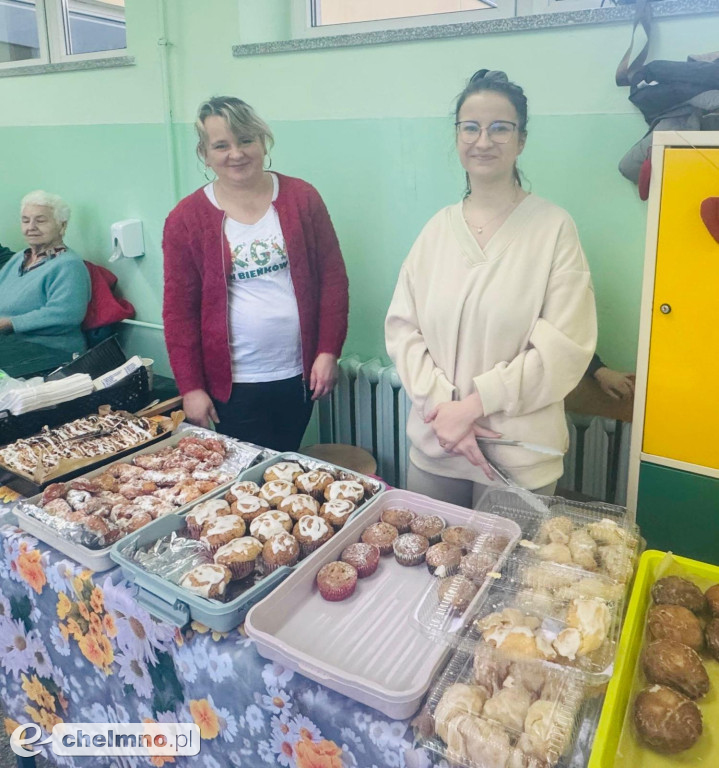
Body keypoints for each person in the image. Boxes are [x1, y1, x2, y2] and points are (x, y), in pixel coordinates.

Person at [385, 69, 597, 508]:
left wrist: (475, 405)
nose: (484, 140)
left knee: (506, 576)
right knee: (429, 570)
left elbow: (566, 346)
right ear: (457, 136)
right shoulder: (436, 231)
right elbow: (404, 330)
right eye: (471, 127)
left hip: (518, 455)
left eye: (501, 128)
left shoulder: (553, 228)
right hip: (436, 447)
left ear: (521, 140)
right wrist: (447, 409)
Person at [163, 96, 349, 451]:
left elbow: (333, 280)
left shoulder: (301, 198)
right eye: (222, 145)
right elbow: (179, 312)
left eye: (246, 139)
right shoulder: (186, 218)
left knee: (285, 465)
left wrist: (328, 351)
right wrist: (191, 388)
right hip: (232, 386)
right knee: (243, 480)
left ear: (263, 141)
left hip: (297, 374)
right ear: (205, 154)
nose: (236, 153)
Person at [0, 191, 90, 355]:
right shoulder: (19, 258)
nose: (31, 227)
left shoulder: (68, 265)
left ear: (62, 225)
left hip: (48, 350)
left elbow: (66, 314)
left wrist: (9, 323)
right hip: (11, 344)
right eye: (25, 221)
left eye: (40, 221)